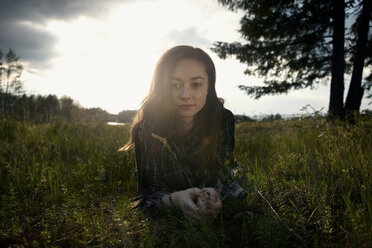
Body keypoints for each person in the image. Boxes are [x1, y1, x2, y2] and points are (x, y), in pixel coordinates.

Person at [122, 45, 246, 222]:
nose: (185, 95)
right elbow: (147, 193)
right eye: (175, 85)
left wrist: (214, 195)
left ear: (209, 87)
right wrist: (177, 200)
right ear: (162, 88)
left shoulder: (222, 120)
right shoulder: (148, 127)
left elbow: (224, 173)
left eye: (196, 84)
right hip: (171, 203)